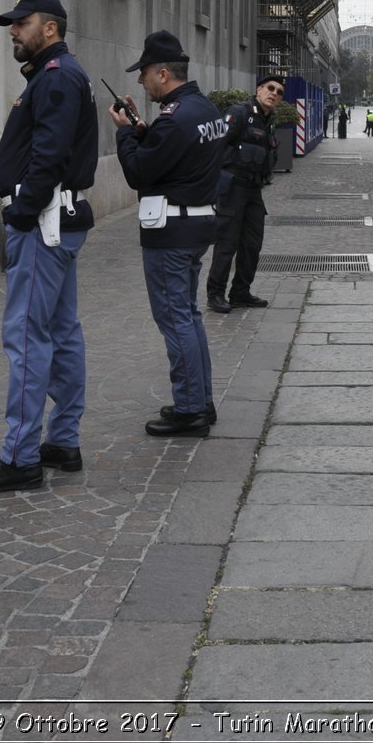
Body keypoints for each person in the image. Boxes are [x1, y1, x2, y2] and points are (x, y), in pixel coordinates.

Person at [0, 0, 98, 494]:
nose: (13, 32)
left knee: (25, 335)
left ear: (50, 28)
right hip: (57, 218)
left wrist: (21, 210)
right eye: (12, 24)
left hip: (43, 221)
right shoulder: (58, 75)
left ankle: (20, 456)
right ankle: (62, 441)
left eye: (21, 23)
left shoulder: (57, 78)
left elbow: (49, 152)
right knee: (61, 331)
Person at [110, 30, 228, 438]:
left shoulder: (174, 119)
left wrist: (125, 133)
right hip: (196, 224)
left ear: (162, 73)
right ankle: (201, 400)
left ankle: (190, 409)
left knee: (175, 319)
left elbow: (139, 172)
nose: (140, 82)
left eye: (143, 73)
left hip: (171, 231)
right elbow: (178, 157)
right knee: (189, 317)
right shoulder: (204, 109)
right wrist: (146, 133)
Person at [206, 75, 281, 314]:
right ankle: (215, 293)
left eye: (279, 92)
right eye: (270, 88)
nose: (274, 94)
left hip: (254, 190)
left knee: (252, 244)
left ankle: (240, 293)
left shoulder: (269, 119)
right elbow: (215, 146)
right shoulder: (239, 113)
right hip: (233, 189)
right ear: (259, 89)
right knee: (227, 244)